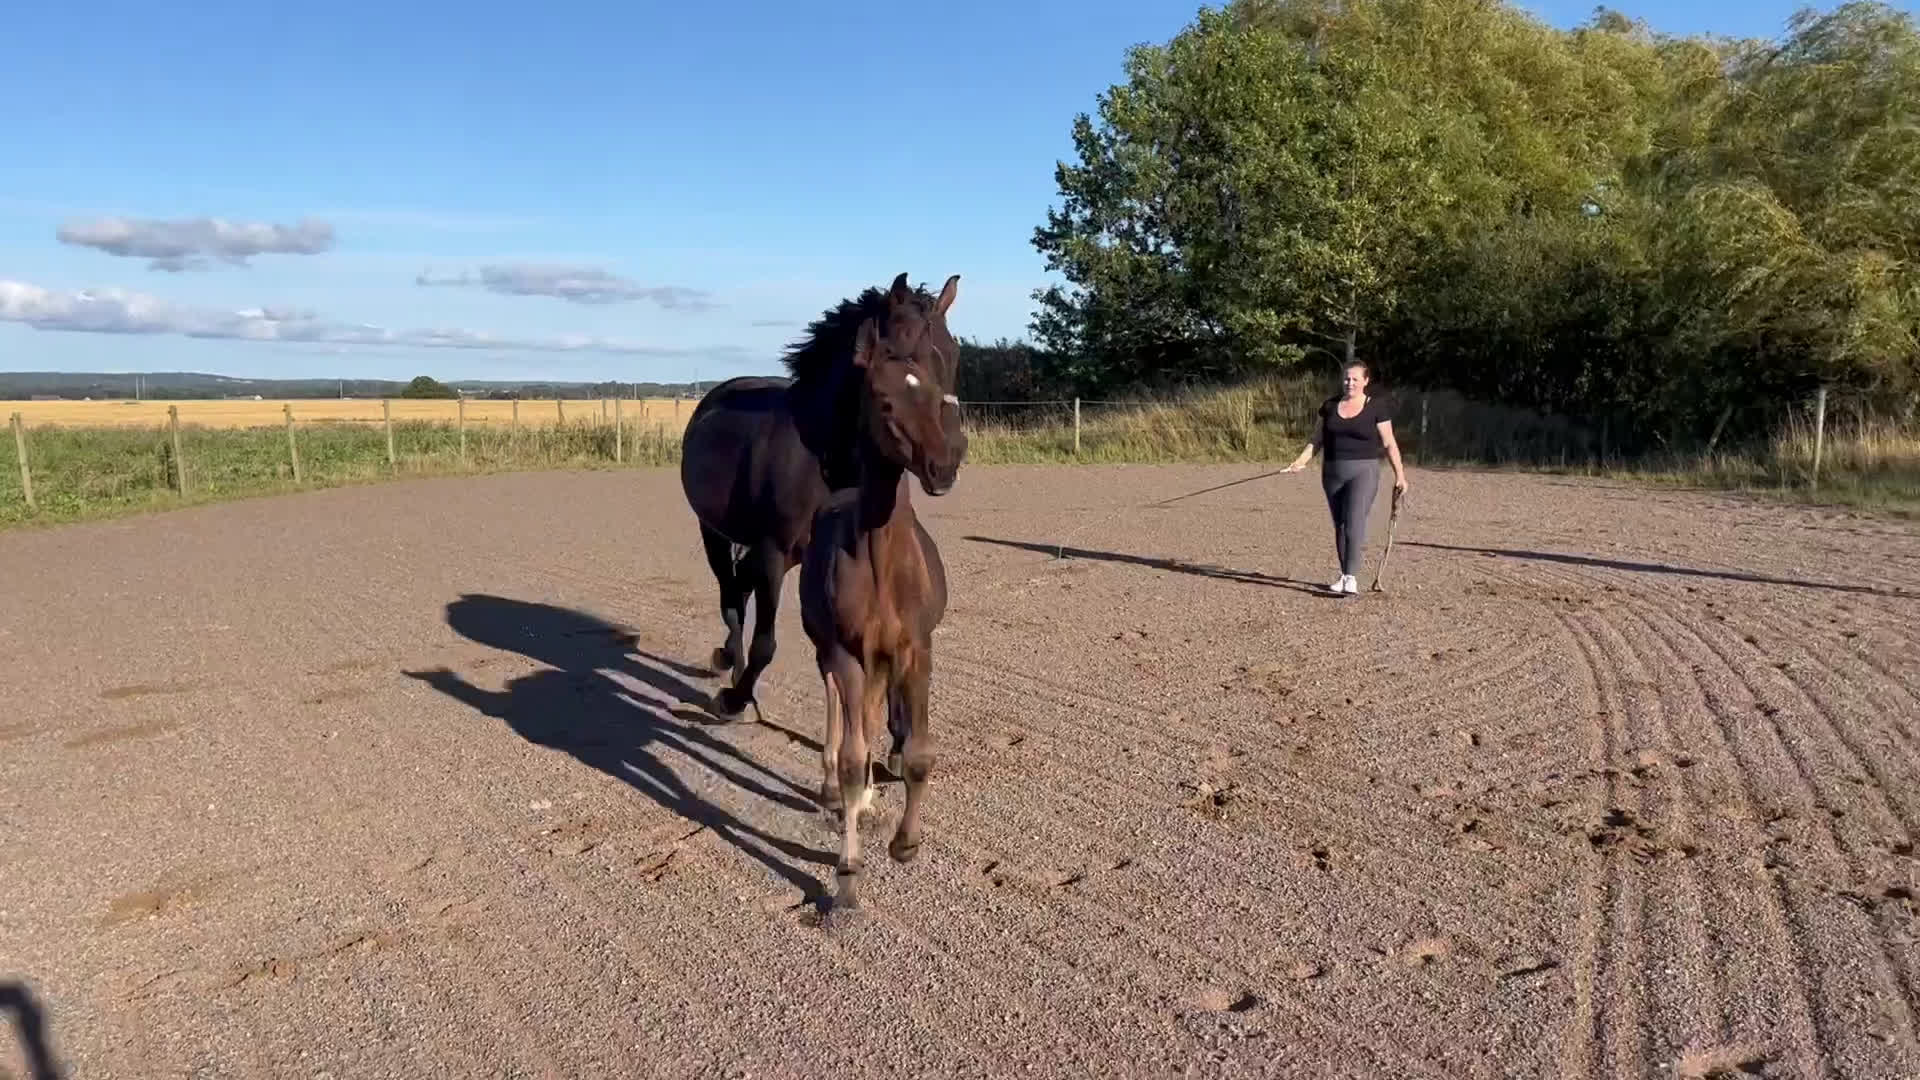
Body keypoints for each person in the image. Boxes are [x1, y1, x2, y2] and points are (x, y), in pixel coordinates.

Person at [1282, 360, 1409, 595]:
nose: (1349, 383)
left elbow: (1389, 443)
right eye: (1346, 378)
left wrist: (1400, 475)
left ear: (1365, 381)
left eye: (1355, 379)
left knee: (1354, 520)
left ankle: (1351, 577)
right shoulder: (1329, 406)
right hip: (1332, 471)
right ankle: (1344, 574)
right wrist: (1300, 461)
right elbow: (1316, 439)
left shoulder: (1376, 407)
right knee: (1340, 524)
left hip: (1364, 471)